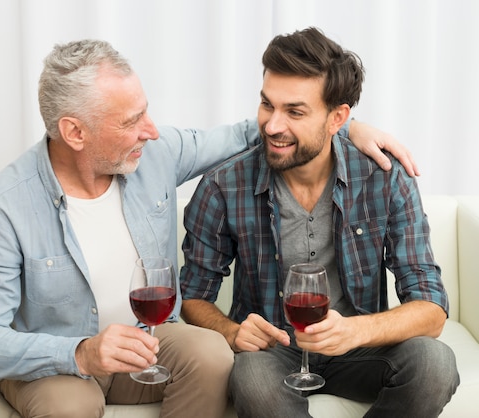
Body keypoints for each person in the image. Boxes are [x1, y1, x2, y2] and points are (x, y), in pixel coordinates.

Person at [0, 39, 418, 418]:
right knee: (69, 406)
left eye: (146, 112)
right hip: (58, 359)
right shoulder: (4, 208)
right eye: (132, 121)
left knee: (212, 357)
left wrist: (347, 125)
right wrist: (80, 353)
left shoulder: (154, 156)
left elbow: (262, 131)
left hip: (151, 336)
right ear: (75, 132)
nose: (151, 131)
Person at [180, 27, 460, 418]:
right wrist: (231, 331)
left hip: (358, 349)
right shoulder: (223, 185)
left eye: (295, 112)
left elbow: (431, 307)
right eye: (267, 105)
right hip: (272, 352)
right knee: (252, 380)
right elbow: (191, 297)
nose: (273, 126)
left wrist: (355, 331)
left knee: (435, 364)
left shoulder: (385, 178)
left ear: (338, 118)